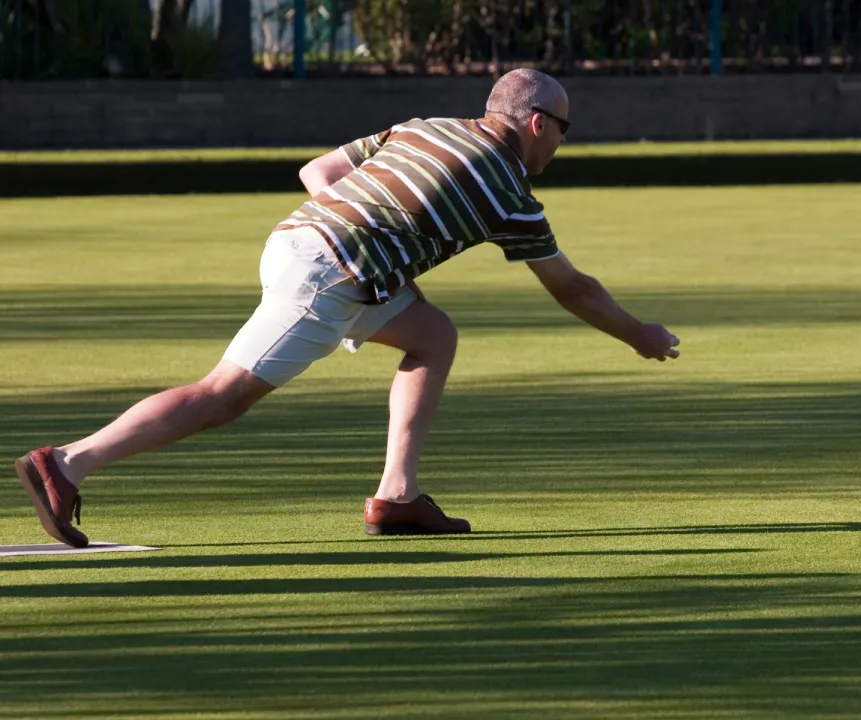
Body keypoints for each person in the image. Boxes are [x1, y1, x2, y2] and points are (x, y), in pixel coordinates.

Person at [13, 69, 681, 548]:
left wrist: (383, 253)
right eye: (563, 131)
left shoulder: (428, 128)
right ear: (538, 123)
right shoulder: (507, 188)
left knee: (432, 336)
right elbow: (573, 288)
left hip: (300, 242)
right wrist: (637, 334)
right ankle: (68, 463)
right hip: (330, 274)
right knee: (223, 394)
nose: (560, 144)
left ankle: (397, 496)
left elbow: (319, 172)